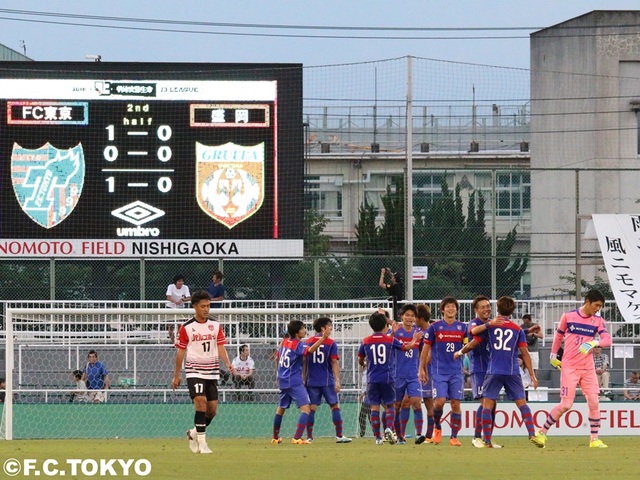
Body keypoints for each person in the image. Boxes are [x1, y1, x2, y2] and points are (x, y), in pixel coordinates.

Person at [531, 289, 611, 449]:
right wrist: (553, 355)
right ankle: (542, 433)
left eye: (600, 306)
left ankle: (594, 439)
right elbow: (558, 336)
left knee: (594, 401)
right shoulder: (568, 316)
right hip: (570, 367)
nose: (597, 309)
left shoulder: (598, 320)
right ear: (587, 302)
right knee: (566, 405)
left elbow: (607, 340)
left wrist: (594, 342)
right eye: (596, 305)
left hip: (588, 368)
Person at [465, 296, 539, 448]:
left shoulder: (490, 326)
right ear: (512, 311)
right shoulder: (517, 329)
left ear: (497, 309)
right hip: (512, 371)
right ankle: (532, 434)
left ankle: (486, 440)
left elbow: (474, 339)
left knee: (487, 405)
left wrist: (460, 352)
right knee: (522, 404)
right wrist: (532, 375)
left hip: (493, 370)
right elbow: (525, 353)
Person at [172, 290, 235, 454]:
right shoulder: (187, 327)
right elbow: (180, 352)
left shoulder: (216, 325)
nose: (206, 309)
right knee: (201, 402)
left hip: (212, 372)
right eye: (203, 306)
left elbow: (220, 346)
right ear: (194, 306)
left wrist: (228, 363)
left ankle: (193, 433)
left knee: (212, 410)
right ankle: (203, 444)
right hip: (194, 371)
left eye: (208, 306)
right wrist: (177, 375)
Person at [359, 310, 421, 445]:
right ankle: (388, 427)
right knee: (391, 405)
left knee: (374, 407)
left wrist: (363, 364)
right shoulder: (390, 340)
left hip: (372, 379)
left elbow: (360, 359)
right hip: (387, 378)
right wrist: (415, 339)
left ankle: (378, 438)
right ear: (384, 326)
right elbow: (407, 347)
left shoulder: (366, 341)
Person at [271, 319, 331, 445]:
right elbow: (310, 350)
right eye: (303, 329)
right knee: (306, 409)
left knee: (281, 409)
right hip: (293, 380)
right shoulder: (298, 344)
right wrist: (323, 338)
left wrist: (278, 374)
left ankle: (275, 438)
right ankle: (297, 437)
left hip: (282, 379)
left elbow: (277, 358)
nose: (305, 331)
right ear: (297, 332)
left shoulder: (284, 342)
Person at [418, 296, 466, 447]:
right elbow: (426, 348)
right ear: (443, 310)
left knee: (455, 404)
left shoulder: (462, 328)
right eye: (448, 306)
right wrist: (421, 368)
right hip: (439, 372)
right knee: (439, 402)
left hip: (456, 372)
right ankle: (437, 427)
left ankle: (454, 437)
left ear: (456, 310)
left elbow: (467, 346)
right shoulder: (435, 327)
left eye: (453, 306)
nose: (451, 309)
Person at [304, 317, 352, 443]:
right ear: (322, 328)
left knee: (311, 408)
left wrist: (304, 378)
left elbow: (304, 361)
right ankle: (339, 436)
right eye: (329, 326)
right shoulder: (330, 343)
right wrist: (337, 381)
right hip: (327, 380)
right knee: (335, 406)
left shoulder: (308, 341)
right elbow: (334, 362)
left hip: (312, 381)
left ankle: (309, 437)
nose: (331, 328)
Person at [392, 304, 426, 445]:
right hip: (397, 375)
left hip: (413, 375)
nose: (409, 318)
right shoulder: (396, 332)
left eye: (412, 315)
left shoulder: (419, 333)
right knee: (397, 405)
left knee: (416, 402)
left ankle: (419, 434)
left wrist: (422, 369)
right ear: (401, 316)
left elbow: (424, 352)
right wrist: (393, 334)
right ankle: (399, 436)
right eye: (407, 315)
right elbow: (388, 346)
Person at [415, 304, 436, 443]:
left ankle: (429, 435)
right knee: (411, 401)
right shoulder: (416, 331)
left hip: (428, 371)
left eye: (415, 317)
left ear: (421, 318)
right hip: (417, 371)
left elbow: (430, 353)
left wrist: (422, 368)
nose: (413, 320)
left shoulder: (431, 330)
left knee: (429, 402)